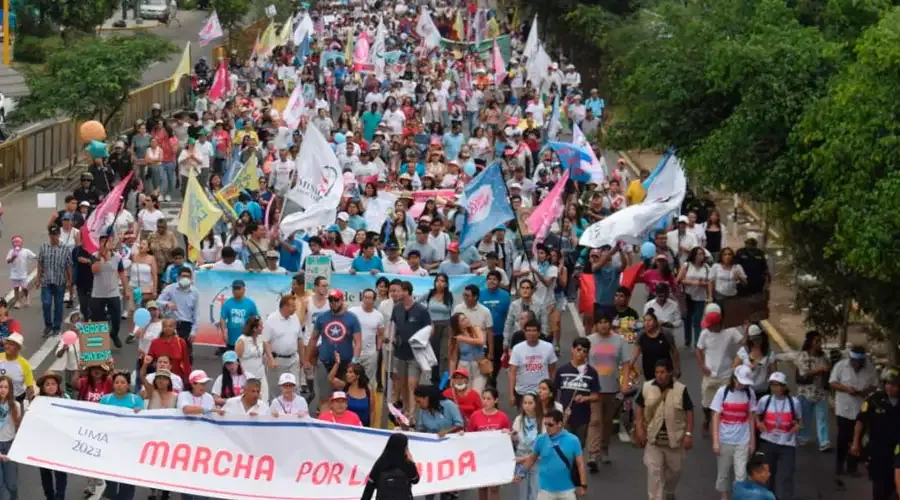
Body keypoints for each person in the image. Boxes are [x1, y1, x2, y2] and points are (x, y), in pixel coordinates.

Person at [634, 359, 695, 500]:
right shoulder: (647, 387)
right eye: (657, 372)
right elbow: (639, 407)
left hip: (674, 441)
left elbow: (689, 411)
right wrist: (639, 428)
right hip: (653, 440)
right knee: (654, 474)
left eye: (662, 372)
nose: (659, 375)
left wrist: (688, 434)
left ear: (670, 373)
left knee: (675, 471)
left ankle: (669, 490)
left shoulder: (680, 389)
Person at [830, 345, 877, 488]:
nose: (856, 364)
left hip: (861, 408)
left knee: (856, 438)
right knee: (843, 437)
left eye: (859, 362)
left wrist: (865, 391)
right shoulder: (841, 366)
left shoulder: (870, 368)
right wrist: (846, 389)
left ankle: (852, 466)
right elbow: (832, 382)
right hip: (844, 408)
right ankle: (839, 464)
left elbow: (875, 385)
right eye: (854, 361)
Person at [586, 314, 629, 468]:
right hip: (594, 388)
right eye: (600, 322)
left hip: (612, 387)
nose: (603, 325)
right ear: (596, 324)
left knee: (607, 421)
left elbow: (625, 364)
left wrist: (624, 384)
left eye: (606, 322)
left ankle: (604, 448)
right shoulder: (589, 341)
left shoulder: (620, 341)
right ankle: (593, 453)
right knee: (594, 420)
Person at [851, 366, 900, 500]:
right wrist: (856, 442)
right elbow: (860, 421)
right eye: (888, 384)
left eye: (895, 385)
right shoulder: (874, 399)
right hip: (878, 451)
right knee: (879, 488)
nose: (891, 388)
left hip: (897, 451)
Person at [308, 289, 362, 410]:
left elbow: (358, 342)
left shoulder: (352, 318)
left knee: (343, 399)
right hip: (324, 362)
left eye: (336, 300)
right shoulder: (322, 317)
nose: (333, 303)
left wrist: (354, 362)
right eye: (331, 300)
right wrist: (308, 360)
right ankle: (323, 426)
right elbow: (313, 339)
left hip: (345, 365)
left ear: (342, 300)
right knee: (324, 399)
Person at [517, 408, 588, 499]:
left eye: (550, 425)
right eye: (545, 424)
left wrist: (583, 484)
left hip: (567, 489)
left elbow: (580, 464)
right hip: (545, 490)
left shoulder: (573, 440)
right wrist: (521, 473)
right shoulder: (540, 439)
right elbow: (532, 458)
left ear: (560, 424)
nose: (547, 427)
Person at [696, 303, 744, 436]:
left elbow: (744, 343)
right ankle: (707, 419)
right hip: (710, 375)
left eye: (710, 325)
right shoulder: (705, 333)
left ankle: (722, 427)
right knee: (706, 403)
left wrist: (747, 328)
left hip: (726, 375)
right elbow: (699, 350)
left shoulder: (731, 332)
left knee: (725, 403)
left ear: (718, 323)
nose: (708, 327)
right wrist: (702, 366)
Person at [711, 365, 758, 500]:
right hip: (725, 439)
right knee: (723, 472)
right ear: (734, 378)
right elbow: (716, 416)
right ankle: (724, 495)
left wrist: (752, 441)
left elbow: (751, 417)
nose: (742, 385)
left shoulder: (750, 394)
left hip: (743, 440)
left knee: (741, 474)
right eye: (740, 382)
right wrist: (715, 440)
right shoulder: (723, 392)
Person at [99, 372, 144, 500]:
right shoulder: (105, 400)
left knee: (127, 479)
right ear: (113, 385)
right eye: (117, 382)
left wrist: (139, 413)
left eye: (123, 382)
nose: (119, 385)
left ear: (128, 385)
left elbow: (144, 421)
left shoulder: (136, 400)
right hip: (111, 444)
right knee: (111, 477)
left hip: (129, 445)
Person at [755, 372, 800, 500]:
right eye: (773, 385)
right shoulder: (765, 400)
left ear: (785, 386)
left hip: (787, 443)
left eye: (779, 385)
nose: (776, 388)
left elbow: (799, 419)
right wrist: (759, 423)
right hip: (768, 442)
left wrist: (798, 426)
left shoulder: (793, 402)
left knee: (787, 474)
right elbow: (756, 414)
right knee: (768, 474)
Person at [389, 281, 432, 414]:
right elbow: (393, 327)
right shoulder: (396, 308)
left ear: (406, 292)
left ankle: (413, 415)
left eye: (399, 290)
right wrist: (392, 338)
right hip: (400, 353)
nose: (396, 293)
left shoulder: (421, 310)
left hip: (415, 354)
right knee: (402, 385)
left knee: (412, 384)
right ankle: (406, 411)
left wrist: (421, 342)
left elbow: (430, 329)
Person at [554, 337, 600, 451]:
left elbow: (596, 395)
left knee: (578, 447)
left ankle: (576, 467)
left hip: (583, 416)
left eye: (585, 351)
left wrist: (585, 398)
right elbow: (554, 391)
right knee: (564, 445)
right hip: (564, 416)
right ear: (572, 350)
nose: (581, 353)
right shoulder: (562, 370)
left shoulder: (591, 372)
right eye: (578, 349)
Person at [467, 387, 511, 500]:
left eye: (489, 399)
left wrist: (508, 434)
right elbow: (469, 436)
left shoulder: (503, 417)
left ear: (496, 400)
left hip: (496, 457)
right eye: (484, 398)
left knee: (494, 488)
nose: (485, 401)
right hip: (480, 457)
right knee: (482, 487)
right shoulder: (475, 416)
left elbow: (507, 439)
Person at [795, 331, 832, 451]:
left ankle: (824, 441)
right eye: (817, 341)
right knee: (805, 417)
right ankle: (803, 437)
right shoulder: (803, 356)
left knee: (822, 419)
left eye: (820, 341)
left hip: (820, 392)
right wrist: (820, 369)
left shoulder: (823, 357)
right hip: (805, 393)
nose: (819, 344)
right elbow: (803, 373)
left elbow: (828, 370)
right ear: (810, 342)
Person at [90, 234, 129, 348]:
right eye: (103, 242)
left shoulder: (116, 257)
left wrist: (126, 290)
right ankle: (100, 345)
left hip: (113, 292)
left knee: (116, 318)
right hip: (98, 294)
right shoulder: (94, 256)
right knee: (98, 321)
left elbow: (121, 273)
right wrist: (99, 257)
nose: (107, 244)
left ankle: (114, 334)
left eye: (109, 241)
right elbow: (94, 270)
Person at [36, 371, 68, 499]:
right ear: (43, 387)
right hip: (44, 443)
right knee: (45, 473)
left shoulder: (65, 398)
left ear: (58, 385)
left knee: (61, 473)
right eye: (47, 384)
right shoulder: (37, 401)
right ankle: (49, 497)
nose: (51, 386)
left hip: (60, 443)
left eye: (53, 383)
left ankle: (60, 497)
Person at [361, 433, 420, 500]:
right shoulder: (407, 463)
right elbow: (415, 480)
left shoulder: (381, 462)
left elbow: (370, 485)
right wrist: (412, 461)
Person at [263, 295, 302, 396]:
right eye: (292, 306)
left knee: (295, 387)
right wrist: (270, 359)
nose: (295, 309)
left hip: (293, 359)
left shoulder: (295, 318)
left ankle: (295, 410)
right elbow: (266, 341)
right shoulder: (271, 320)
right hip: (277, 361)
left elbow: (299, 338)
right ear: (284, 306)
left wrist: (303, 358)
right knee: (278, 390)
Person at [38, 226, 71, 337]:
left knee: (58, 305)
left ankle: (56, 327)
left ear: (59, 234)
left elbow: (68, 265)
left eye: (56, 234)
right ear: (49, 235)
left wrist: (69, 280)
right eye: (52, 234)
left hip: (60, 281)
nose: (54, 237)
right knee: (46, 304)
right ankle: (48, 326)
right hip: (46, 281)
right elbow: (40, 264)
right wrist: (38, 279)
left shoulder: (65, 248)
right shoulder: (43, 247)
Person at [348, 289, 385, 387]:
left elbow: (381, 333)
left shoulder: (378, 315)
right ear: (362, 298)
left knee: (369, 382)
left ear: (374, 300)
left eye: (370, 298)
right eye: (366, 297)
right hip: (354, 352)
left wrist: (378, 349)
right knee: (351, 379)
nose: (368, 300)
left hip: (370, 354)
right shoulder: (352, 312)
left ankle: (368, 401)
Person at [448, 312, 487, 394]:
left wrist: (464, 339)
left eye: (466, 318)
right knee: (465, 394)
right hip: (463, 367)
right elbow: (453, 359)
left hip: (478, 366)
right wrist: (452, 377)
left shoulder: (476, 329)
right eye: (463, 320)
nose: (466, 320)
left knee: (477, 393)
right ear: (458, 325)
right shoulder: (456, 337)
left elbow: (481, 341)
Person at [734, 325, 777, 399]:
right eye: (753, 340)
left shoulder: (770, 354)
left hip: (763, 391)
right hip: (746, 390)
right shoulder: (743, 351)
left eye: (758, 339)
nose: (756, 342)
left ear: (762, 338)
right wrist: (745, 368)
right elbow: (735, 367)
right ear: (750, 340)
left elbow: (774, 373)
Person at [219, 279, 259, 351]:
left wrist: (255, 333)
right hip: (231, 340)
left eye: (238, 288)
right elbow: (222, 319)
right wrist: (224, 333)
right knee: (232, 361)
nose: (236, 291)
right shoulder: (227, 303)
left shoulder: (250, 304)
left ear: (244, 289)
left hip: (246, 340)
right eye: (234, 288)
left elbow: (257, 318)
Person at [0, 376, 21, 500]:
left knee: (11, 484)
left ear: (10, 389)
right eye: (0, 387)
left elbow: (18, 427)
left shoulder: (15, 406)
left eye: (6, 387)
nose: (3, 390)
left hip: (10, 445)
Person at [0, 334, 34, 403]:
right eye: (6, 343)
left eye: (11, 344)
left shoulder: (24, 364)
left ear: (18, 348)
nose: (7, 346)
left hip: (17, 399)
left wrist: (31, 404)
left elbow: (29, 386)